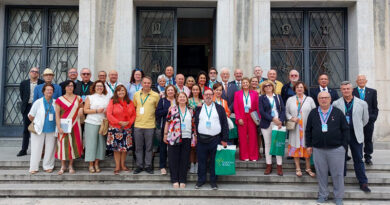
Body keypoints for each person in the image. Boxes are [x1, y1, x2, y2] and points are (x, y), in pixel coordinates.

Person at [306, 91, 349, 205]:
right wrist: (309, 145)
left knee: (338, 174)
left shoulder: (338, 112)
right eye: (321, 98)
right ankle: (323, 195)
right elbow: (308, 130)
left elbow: (345, 130)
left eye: (326, 98)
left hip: (336, 149)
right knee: (321, 173)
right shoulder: (313, 113)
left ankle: (338, 197)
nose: (324, 100)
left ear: (330, 99)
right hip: (318, 149)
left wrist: (344, 147)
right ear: (318, 100)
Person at [333, 81, 371, 192]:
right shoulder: (336, 103)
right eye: (343, 89)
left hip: (356, 134)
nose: (346, 91)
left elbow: (365, 120)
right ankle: (340, 182)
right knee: (341, 159)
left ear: (352, 89)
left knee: (358, 159)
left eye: (348, 89)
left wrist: (357, 126)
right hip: (341, 135)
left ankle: (363, 182)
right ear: (341, 90)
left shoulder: (362, 103)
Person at [194, 89, 228, 190]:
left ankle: (213, 181)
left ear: (213, 96)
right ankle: (201, 180)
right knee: (201, 161)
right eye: (206, 94)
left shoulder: (220, 108)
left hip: (215, 139)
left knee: (214, 161)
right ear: (203, 96)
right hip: (201, 140)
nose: (208, 96)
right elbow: (196, 123)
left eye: (210, 95)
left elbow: (224, 124)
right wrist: (196, 136)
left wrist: (224, 139)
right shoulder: (198, 108)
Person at [164, 92, 196, 188]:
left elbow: (194, 124)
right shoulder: (172, 110)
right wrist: (165, 134)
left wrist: (195, 135)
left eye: (184, 97)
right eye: (180, 97)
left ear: (187, 99)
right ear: (177, 99)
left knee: (184, 159)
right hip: (174, 137)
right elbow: (167, 122)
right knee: (174, 159)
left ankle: (182, 179)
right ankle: (174, 179)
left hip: (187, 137)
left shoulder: (191, 110)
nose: (182, 98)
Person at [285, 81, 316, 177]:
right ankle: (298, 168)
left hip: (306, 127)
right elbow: (286, 112)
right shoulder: (290, 99)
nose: (299, 89)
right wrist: (291, 118)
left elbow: (314, 112)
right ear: (295, 89)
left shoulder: (309, 99)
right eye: (297, 87)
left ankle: (308, 168)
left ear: (304, 89)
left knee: (307, 148)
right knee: (296, 148)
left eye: (301, 87)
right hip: (295, 128)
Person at [55, 80, 83, 175]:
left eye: (71, 85)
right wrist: (59, 127)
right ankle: (63, 166)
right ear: (64, 88)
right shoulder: (59, 99)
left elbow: (81, 108)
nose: (70, 87)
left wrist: (81, 109)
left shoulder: (78, 98)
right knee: (63, 145)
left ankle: (71, 165)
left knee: (74, 145)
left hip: (75, 124)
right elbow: (57, 115)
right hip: (64, 125)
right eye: (68, 86)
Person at [133, 76, 160, 174]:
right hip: (138, 125)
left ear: (151, 84)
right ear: (141, 84)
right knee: (138, 147)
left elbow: (157, 108)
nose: (146, 84)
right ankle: (139, 166)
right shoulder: (136, 95)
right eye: (144, 83)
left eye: (148, 83)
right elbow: (135, 107)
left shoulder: (156, 95)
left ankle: (148, 166)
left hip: (150, 125)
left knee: (149, 147)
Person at [106, 85, 136, 174]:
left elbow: (134, 114)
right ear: (116, 92)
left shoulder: (130, 102)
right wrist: (119, 122)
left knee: (124, 149)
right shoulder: (112, 101)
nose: (121, 92)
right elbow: (109, 114)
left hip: (127, 128)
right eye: (119, 91)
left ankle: (123, 165)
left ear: (126, 92)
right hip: (115, 128)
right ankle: (117, 166)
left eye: (123, 90)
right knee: (116, 149)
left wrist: (129, 122)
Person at [28, 83, 56, 174]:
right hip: (38, 129)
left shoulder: (56, 102)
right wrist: (37, 122)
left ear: (53, 92)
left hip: (51, 129)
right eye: (47, 90)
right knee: (36, 148)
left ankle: (48, 166)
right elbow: (31, 115)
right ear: (43, 91)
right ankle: (34, 167)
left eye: (51, 90)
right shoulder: (38, 102)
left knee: (50, 149)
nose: (49, 91)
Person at [259, 80, 286, 175]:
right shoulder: (261, 98)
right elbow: (262, 112)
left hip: (278, 123)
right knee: (267, 144)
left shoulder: (278, 97)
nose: (268, 87)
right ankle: (268, 165)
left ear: (272, 86)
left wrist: (280, 121)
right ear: (263, 88)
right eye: (265, 86)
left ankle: (279, 166)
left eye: (269, 85)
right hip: (267, 123)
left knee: (278, 144)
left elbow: (283, 110)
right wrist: (272, 119)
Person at [83, 80, 110, 173]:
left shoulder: (107, 98)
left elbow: (108, 110)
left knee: (101, 144)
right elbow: (85, 110)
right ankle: (91, 164)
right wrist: (96, 111)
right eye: (97, 86)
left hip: (102, 123)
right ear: (94, 87)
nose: (99, 88)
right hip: (91, 122)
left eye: (101, 86)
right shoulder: (90, 97)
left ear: (104, 88)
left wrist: (107, 112)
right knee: (91, 144)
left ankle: (97, 163)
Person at [17, 67, 44, 157]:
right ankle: (24, 149)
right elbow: (22, 95)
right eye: (33, 71)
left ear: (38, 74)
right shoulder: (23, 83)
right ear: (29, 73)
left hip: (39, 107)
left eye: (36, 72)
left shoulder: (42, 83)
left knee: (39, 128)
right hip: (27, 107)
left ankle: (39, 150)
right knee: (26, 129)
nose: (34, 73)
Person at [353, 74, 378, 165]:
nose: (361, 81)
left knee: (368, 139)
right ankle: (359, 156)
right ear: (356, 82)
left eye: (363, 80)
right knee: (357, 139)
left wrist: (373, 118)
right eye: (359, 80)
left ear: (366, 81)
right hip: (356, 121)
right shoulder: (352, 91)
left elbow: (375, 107)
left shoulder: (372, 92)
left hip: (369, 121)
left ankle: (368, 156)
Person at [234, 77, 260, 161]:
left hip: (251, 116)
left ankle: (253, 156)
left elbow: (257, 107)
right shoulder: (237, 93)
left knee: (253, 137)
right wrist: (238, 118)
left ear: (249, 84)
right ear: (241, 84)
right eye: (243, 82)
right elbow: (236, 107)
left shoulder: (254, 93)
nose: (245, 84)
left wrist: (257, 118)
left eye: (246, 82)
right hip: (242, 116)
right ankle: (244, 156)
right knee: (242, 137)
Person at [156, 85, 177, 175]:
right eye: (168, 90)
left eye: (172, 90)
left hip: (176, 127)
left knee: (175, 147)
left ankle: (174, 166)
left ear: (175, 91)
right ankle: (162, 166)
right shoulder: (163, 101)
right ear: (166, 92)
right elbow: (157, 113)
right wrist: (167, 111)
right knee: (163, 147)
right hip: (165, 126)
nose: (170, 92)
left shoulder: (178, 100)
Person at [188, 84, 203, 173]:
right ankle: (192, 164)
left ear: (199, 91)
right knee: (191, 146)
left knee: (198, 146)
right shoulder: (188, 101)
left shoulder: (203, 101)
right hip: (190, 125)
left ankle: (197, 164)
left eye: (197, 89)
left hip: (200, 125)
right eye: (194, 89)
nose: (195, 91)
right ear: (191, 91)